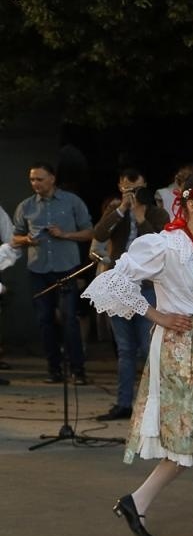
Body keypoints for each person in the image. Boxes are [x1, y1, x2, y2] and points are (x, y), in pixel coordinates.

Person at [84, 174, 193, 536]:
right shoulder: (165, 245)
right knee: (189, 431)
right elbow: (113, 282)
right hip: (178, 343)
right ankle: (138, 499)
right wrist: (157, 315)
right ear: (192, 206)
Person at [90, 170, 169, 420]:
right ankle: (124, 404)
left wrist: (141, 218)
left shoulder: (158, 212)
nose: (133, 195)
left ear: (146, 185)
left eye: (137, 190)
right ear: (120, 188)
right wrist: (122, 209)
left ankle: (152, 405)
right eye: (128, 190)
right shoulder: (117, 211)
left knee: (147, 347)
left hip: (147, 286)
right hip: (119, 286)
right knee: (124, 349)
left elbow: (159, 246)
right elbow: (100, 234)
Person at [12, 163, 95, 384]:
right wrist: (27, 240)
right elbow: (14, 238)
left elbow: (90, 232)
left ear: (52, 179)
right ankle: (54, 369)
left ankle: (77, 369)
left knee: (69, 319)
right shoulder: (26, 206)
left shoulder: (71, 201)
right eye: (32, 180)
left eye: (39, 179)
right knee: (44, 320)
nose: (35, 184)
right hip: (38, 269)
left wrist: (65, 234)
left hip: (65, 268)